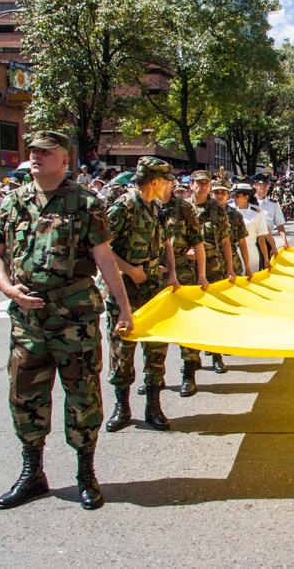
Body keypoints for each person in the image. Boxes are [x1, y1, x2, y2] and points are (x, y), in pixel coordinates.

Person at [0, 130, 133, 510]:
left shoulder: (85, 202)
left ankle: (86, 474)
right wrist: (8, 289)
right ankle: (32, 472)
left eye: (46, 152)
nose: (36, 156)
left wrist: (124, 309)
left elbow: (104, 259)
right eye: (33, 150)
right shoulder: (14, 202)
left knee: (82, 398)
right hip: (27, 319)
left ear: (64, 159)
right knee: (25, 398)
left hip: (75, 320)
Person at [104, 156, 177, 433]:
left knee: (156, 350)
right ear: (155, 181)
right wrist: (131, 270)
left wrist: (171, 273)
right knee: (122, 351)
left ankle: (153, 407)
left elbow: (166, 242)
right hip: (125, 292)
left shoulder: (157, 208)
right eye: (166, 181)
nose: (169, 186)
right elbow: (102, 249)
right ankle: (122, 408)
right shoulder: (124, 207)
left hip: (154, 290)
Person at [155, 181, 208, 397]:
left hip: (183, 272)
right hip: (152, 275)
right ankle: (155, 377)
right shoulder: (145, 206)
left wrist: (202, 274)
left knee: (186, 326)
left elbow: (198, 243)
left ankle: (189, 374)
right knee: (156, 328)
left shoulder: (184, 209)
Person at [189, 170, 236, 373]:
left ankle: (216, 355)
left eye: (206, 184)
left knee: (214, 314)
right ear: (191, 185)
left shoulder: (217, 209)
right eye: (198, 183)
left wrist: (230, 268)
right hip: (187, 270)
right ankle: (190, 360)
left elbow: (226, 240)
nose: (202, 187)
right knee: (190, 317)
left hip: (213, 268)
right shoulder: (181, 207)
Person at [212, 183, 252, 278]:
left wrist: (247, 267)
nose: (220, 196)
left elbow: (242, 243)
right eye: (216, 193)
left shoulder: (236, 216)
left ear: (229, 196)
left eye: (223, 193)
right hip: (211, 264)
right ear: (211, 195)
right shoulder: (203, 213)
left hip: (233, 264)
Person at [232, 182, 270, 275]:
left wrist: (266, 259)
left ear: (246, 197)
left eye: (237, 196)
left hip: (251, 253)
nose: (234, 199)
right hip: (233, 253)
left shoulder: (257, 213)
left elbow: (261, 239)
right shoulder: (229, 211)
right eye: (233, 196)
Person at [253, 173, 288, 260]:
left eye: (266, 185)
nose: (264, 187)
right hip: (252, 241)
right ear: (255, 185)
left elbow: (280, 225)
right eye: (262, 185)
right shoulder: (248, 203)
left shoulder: (273, 204)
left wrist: (284, 240)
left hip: (267, 241)